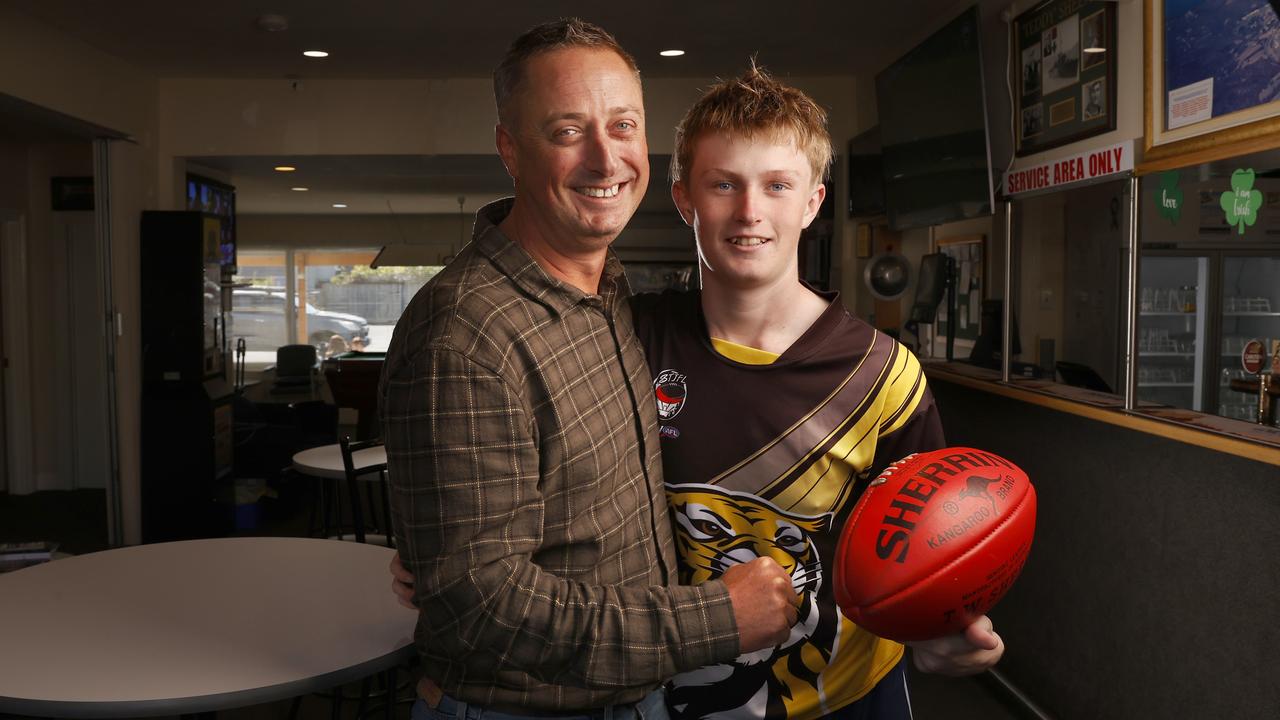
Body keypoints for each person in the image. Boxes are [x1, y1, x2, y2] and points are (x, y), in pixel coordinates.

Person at [379, 18, 800, 720]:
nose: (607, 162)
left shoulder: (610, 297)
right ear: (510, 149)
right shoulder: (462, 332)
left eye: (624, 125)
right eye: (568, 131)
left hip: (638, 698)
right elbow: (482, 612)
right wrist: (717, 620)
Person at [630, 64, 1003, 720]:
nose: (751, 211)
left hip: (848, 700)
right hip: (670, 697)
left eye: (777, 185)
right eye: (724, 184)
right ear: (686, 199)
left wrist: (943, 632)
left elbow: (929, 552)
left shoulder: (884, 376)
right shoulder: (632, 340)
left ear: (812, 202)